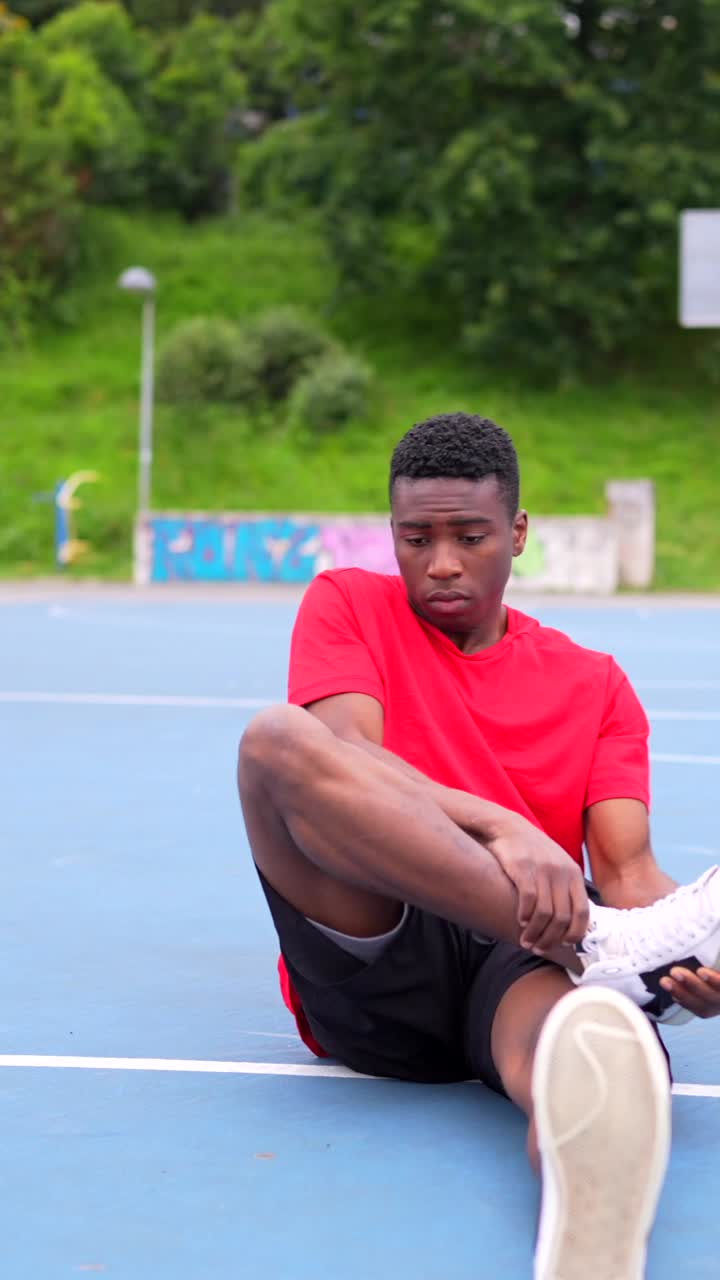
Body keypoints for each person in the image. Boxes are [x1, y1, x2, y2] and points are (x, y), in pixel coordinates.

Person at [237, 412, 720, 1279]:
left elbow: (626, 871)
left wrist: (695, 967)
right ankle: (606, 955)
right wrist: (502, 825)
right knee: (274, 744)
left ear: (519, 533)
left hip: (528, 948)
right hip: (378, 937)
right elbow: (342, 754)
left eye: (470, 536)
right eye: (416, 538)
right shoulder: (347, 601)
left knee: (591, 1040)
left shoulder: (594, 682)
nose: (443, 562)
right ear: (393, 534)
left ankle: (584, 1193)